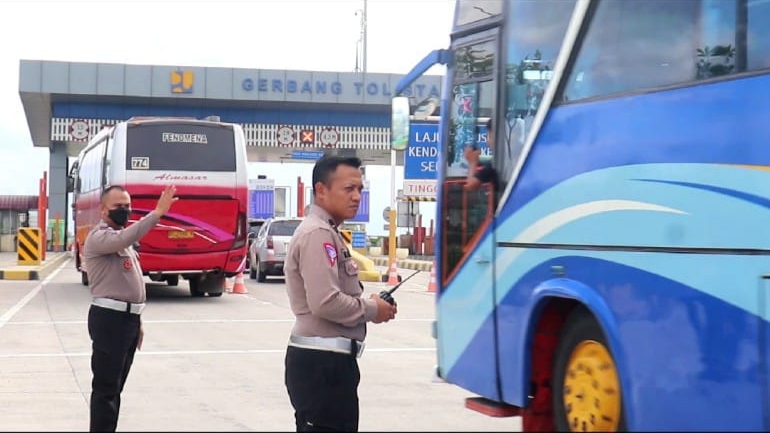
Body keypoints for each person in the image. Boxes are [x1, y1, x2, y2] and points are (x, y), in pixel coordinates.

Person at [284, 155, 398, 432]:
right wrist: (372, 309)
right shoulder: (317, 234)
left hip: (330, 365)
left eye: (360, 189)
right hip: (322, 367)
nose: (357, 196)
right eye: (349, 189)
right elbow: (325, 302)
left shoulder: (328, 233)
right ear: (321, 190)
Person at [84, 184, 178, 432]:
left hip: (127, 321)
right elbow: (127, 236)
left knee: (116, 387)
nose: (124, 211)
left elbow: (129, 283)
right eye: (118, 207)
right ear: (103, 210)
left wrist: (138, 321)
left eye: (127, 206)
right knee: (106, 389)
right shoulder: (101, 237)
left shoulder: (121, 242)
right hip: (109, 320)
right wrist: (157, 213)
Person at [464, 117, 522, 193]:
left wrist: (472, 162)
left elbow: (471, 186)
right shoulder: (526, 151)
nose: (488, 141)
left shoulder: (496, 164)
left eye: (489, 135)